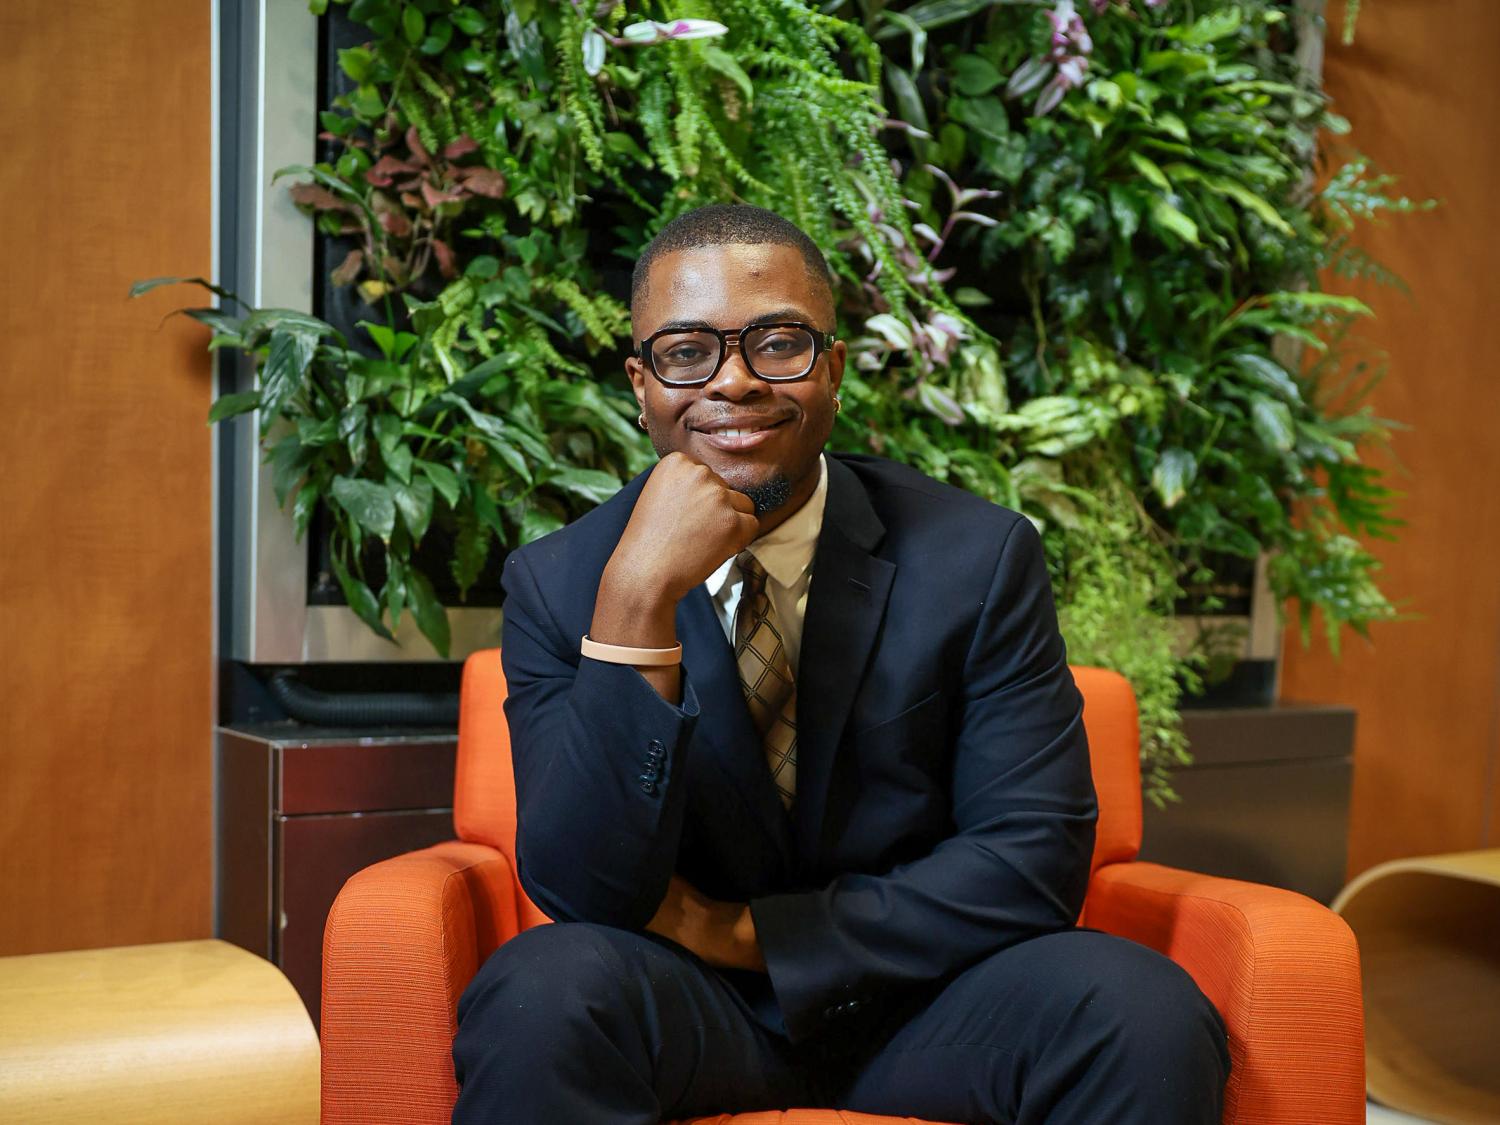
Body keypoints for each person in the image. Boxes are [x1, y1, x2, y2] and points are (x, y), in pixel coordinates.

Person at [452, 204, 1229, 1124]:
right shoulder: (561, 580)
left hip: (926, 1003)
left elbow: (1030, 862)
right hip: (685, 1005)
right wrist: (635, 604)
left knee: (1139, 1011)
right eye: (687, 351)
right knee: (541, 993)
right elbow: (583, 890)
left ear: (834, 367)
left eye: (777, 343)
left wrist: (745, 934)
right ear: (641, 384)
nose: (733, 383)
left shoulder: (976, 558)